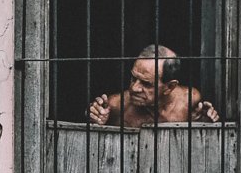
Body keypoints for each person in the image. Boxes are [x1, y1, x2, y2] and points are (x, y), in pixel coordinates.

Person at [86, 45, 219, 127]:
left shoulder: (190, 100)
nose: (133, 88)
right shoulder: (115, 105)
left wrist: (203, 124)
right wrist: (94, 119)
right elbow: (88, 125)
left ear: (170, 87)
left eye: (146, 83)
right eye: (133, 78)